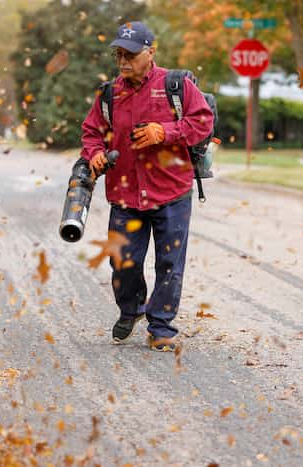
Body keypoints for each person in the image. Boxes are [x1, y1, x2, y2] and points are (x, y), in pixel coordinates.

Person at [80, 21, 214, 352]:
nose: (124, 62)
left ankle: (161, 326)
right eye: (119, 55)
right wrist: (95, 153)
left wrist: (164, 133)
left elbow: (202, 121)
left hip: (171, 192)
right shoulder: (109, 93)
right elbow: (91, 131)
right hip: (125, 194)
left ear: (150, 52)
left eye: (132, 55)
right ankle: (132, 309)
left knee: (170, 263)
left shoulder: (176, 85)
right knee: (123, 261)